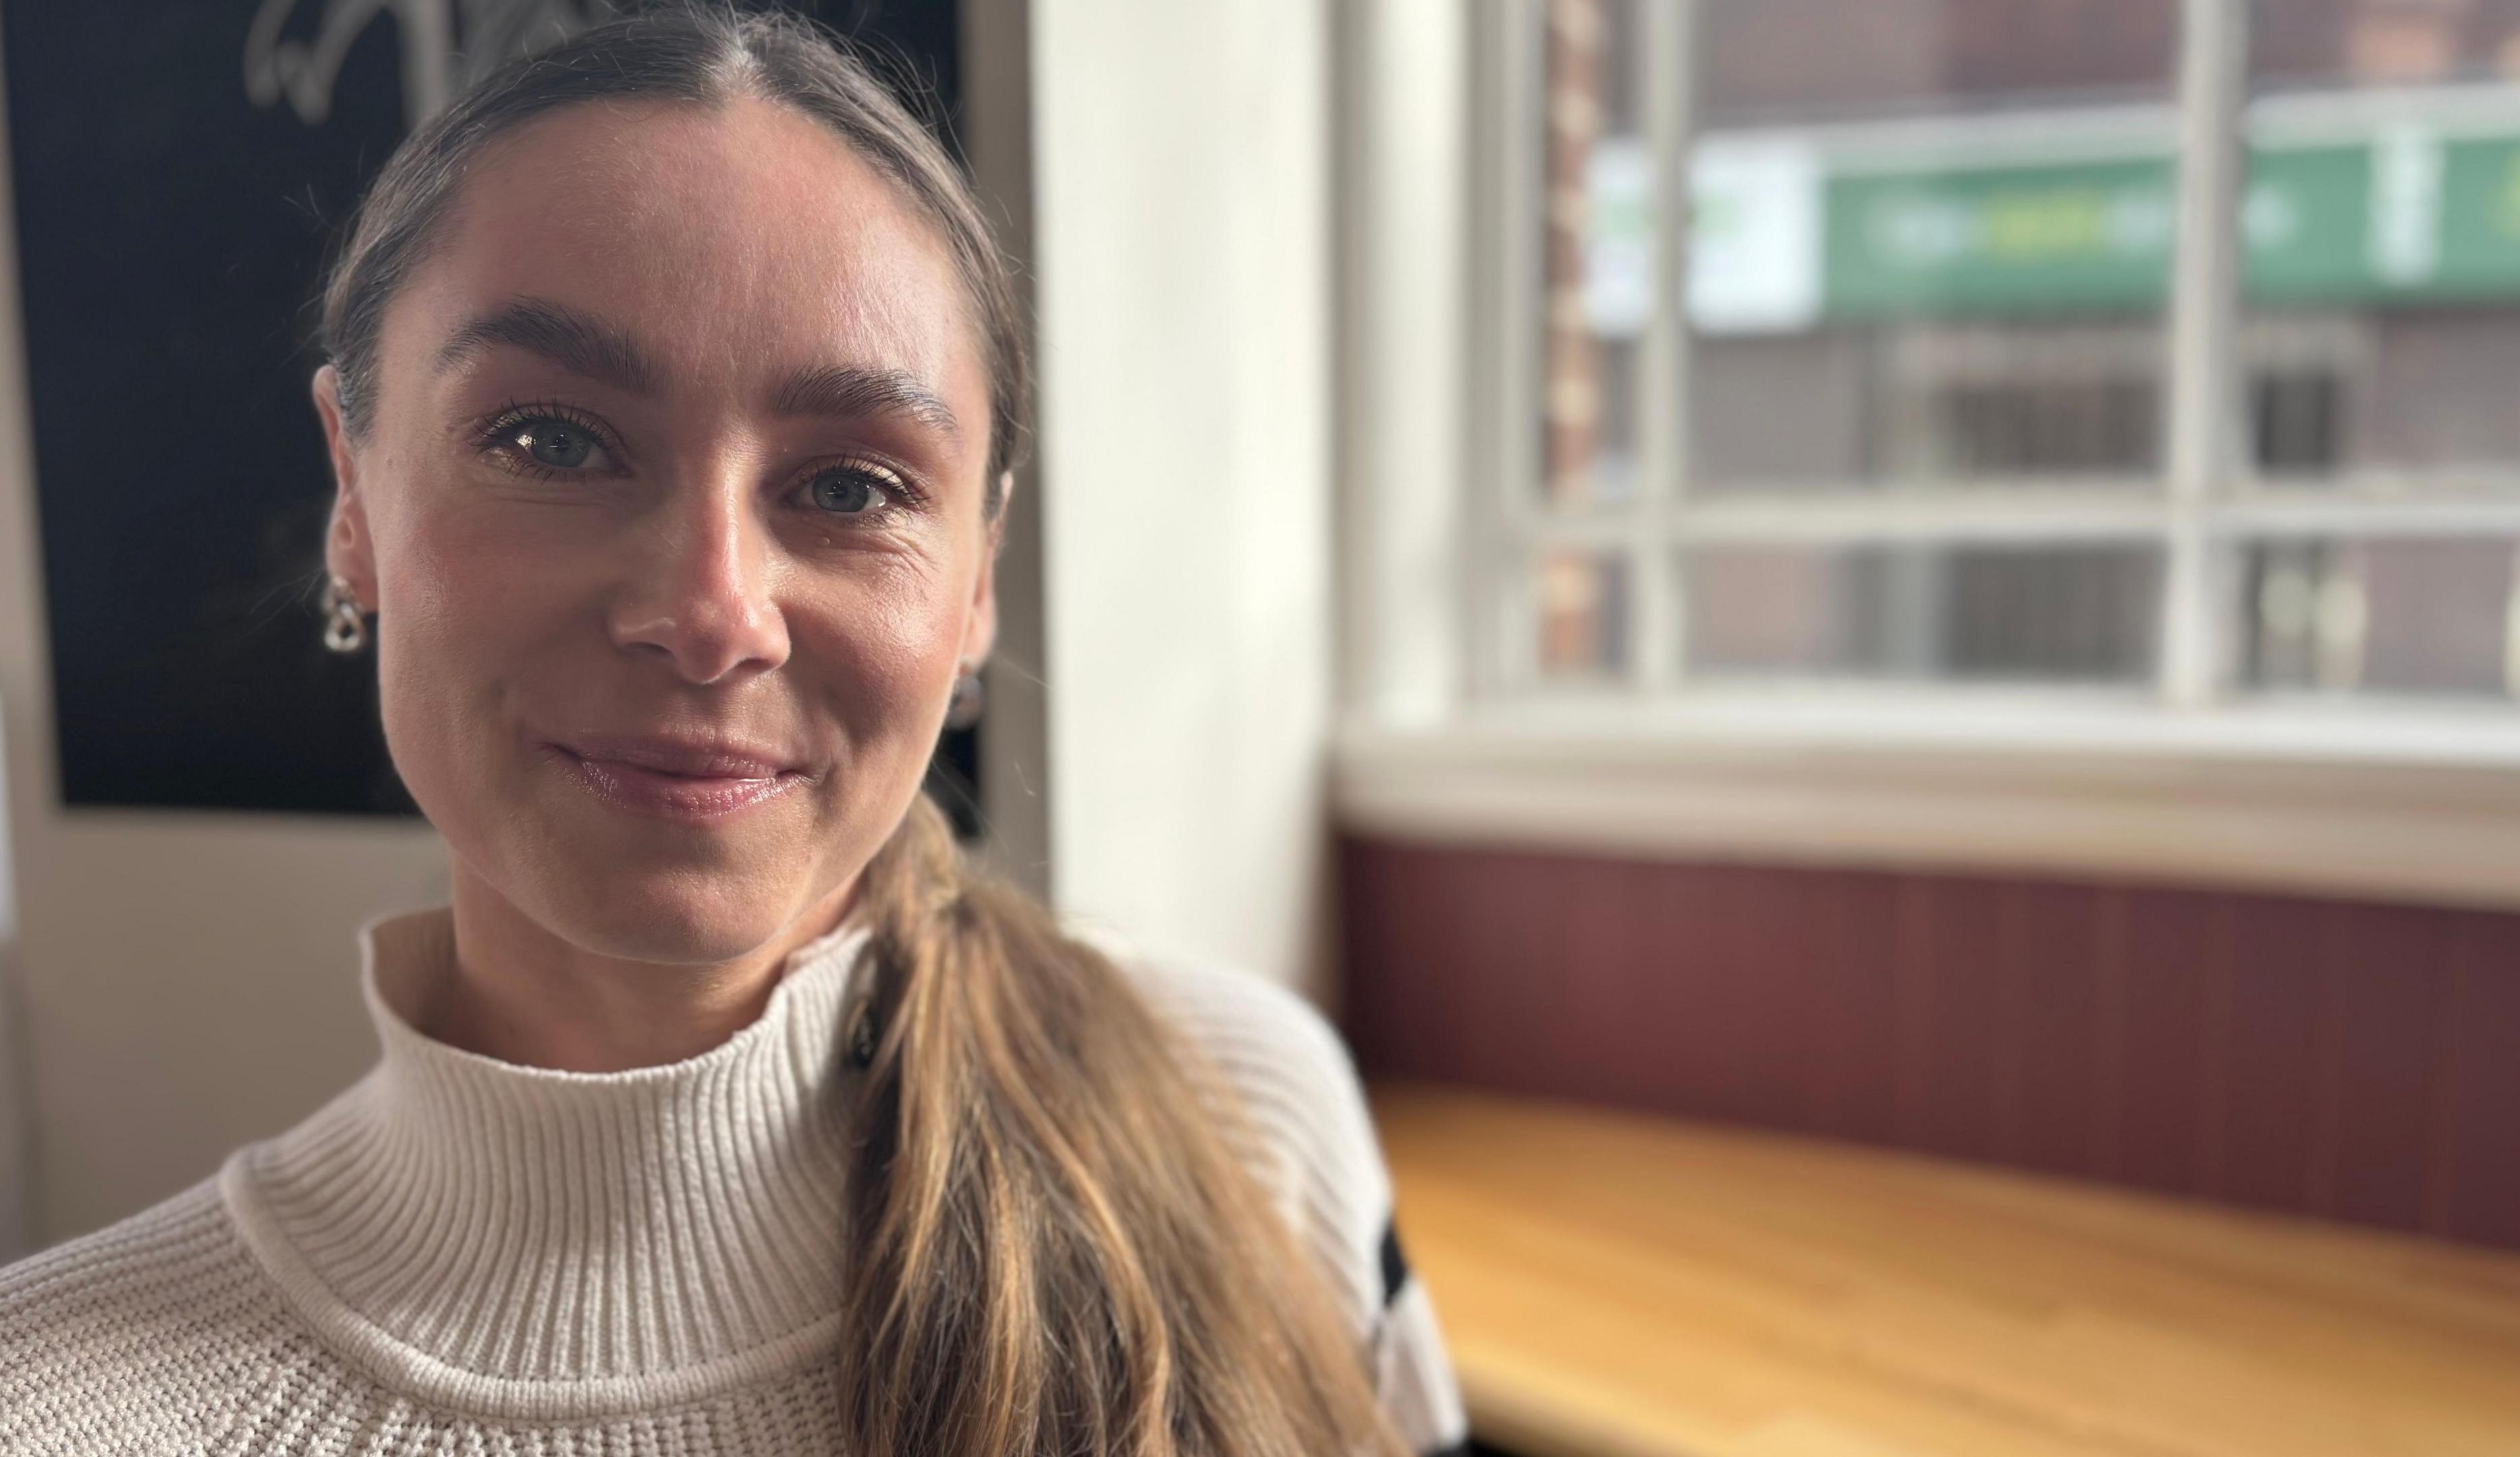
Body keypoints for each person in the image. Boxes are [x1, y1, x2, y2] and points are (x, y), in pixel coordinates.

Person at [0, 7, 1468, 1454]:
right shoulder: (54, 1408)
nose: (713, 615)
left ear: (977, 582)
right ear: (353, 496)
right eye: (550, 442)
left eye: (851, 488)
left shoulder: (1251, 1125)